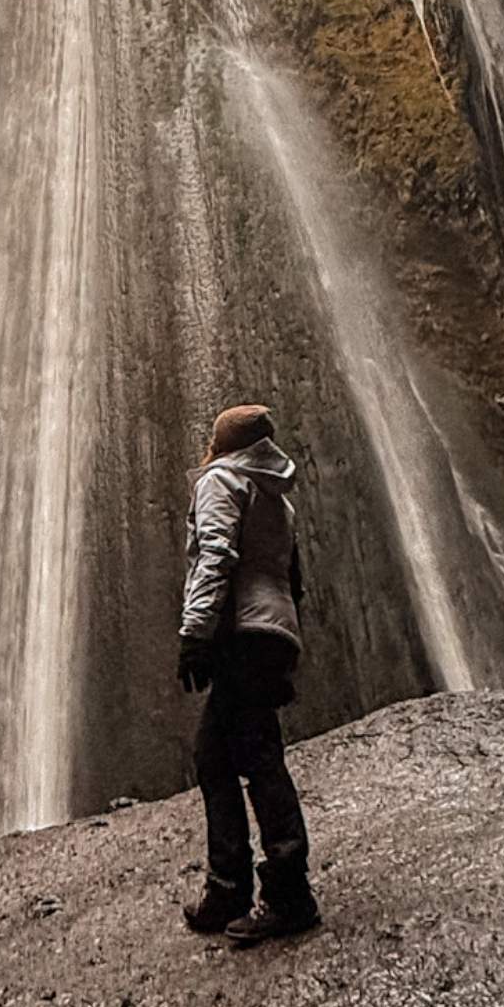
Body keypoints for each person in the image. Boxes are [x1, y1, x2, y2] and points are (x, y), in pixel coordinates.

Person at [177, 403, 319, 943]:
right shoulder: (276, 497)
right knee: (217, 755)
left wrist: (195, 633)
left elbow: (214, 555)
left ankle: (287, 894)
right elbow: (293, 578)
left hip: (242, 632)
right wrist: (287, 645)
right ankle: (228, 887)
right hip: (270, 632)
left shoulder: (222, 481)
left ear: (222, 444)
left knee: (252, 758)